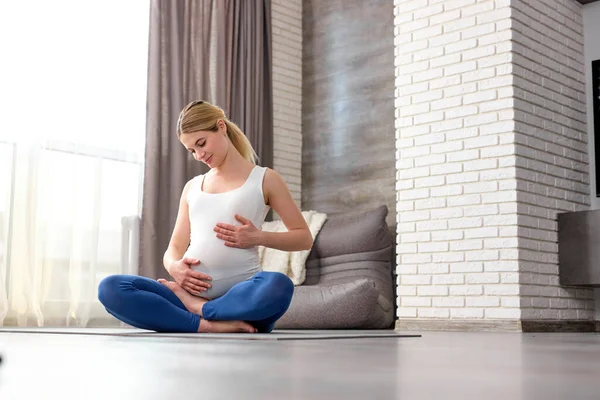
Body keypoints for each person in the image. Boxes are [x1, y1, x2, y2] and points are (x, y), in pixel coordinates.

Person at [98, 100, 313, 333]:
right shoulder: (193, 187)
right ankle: (206, 324)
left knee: (278, 286)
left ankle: (200, 311)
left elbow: (303, 238)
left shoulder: (265, 179)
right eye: (192, 151)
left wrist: (257, 237)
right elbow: (174, 249)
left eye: (201, 143)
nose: (199, 155)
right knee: (110, 288)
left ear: (221, 127)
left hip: (242, 299)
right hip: (187, 295)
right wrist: (175, 268)